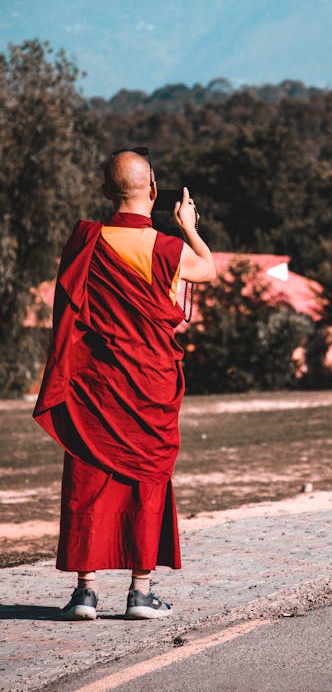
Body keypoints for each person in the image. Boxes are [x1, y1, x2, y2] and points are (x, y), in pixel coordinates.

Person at [33, 148, 215, 620]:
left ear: (104, 192)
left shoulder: (85, 242)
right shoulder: (165, 247)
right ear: (153, 190)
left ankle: (85, 592)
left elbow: (69, 316)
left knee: (89, 474)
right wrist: (188, 225)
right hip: (148, 381)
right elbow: (208, 270)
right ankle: (140, 591)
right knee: (147, 476)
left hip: (96, 384)